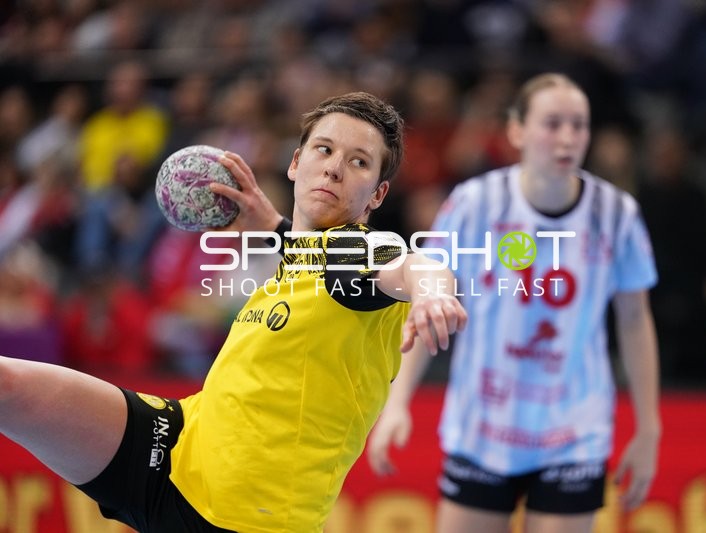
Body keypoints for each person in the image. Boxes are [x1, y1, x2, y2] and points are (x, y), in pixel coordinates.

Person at [0, 91, 468, 533]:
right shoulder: (305, 253)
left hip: (240, 519)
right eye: (324, 150)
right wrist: (275, 226)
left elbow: (415, 265)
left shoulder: (359, 251)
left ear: (379, 196)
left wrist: (432, 293)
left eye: (358, 162)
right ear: (295, 163)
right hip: (180, 445)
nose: (334, 169)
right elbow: (311, 256)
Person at [368, 73, 661, 533]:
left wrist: (649, 428)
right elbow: (430, 302)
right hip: (483, 424)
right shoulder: (474, 203)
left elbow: (634, 320)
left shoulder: (616, 213)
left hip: (574, 432)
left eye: (578, 125)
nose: (567, 137)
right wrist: (397, 402)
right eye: (552, 123)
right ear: (517, 131)